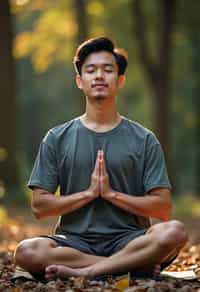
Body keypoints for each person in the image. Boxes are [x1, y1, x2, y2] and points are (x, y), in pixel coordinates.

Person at [14, 37, 188, 280]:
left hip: (131, 240)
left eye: (108, 70)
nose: (99, 76)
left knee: (174, 233)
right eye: (90, 70)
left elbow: (162, 207)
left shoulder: (144, 139)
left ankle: (90, 271)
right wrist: (88, 194)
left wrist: (111, 194)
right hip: (74, 242)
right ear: (79, 81)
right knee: (27, 251)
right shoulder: (56, 137)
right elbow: (39, 206)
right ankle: (131, 267)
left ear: (120, 81)